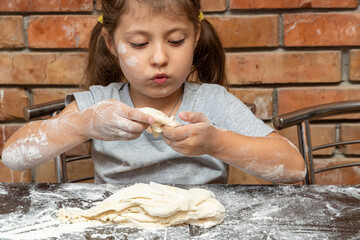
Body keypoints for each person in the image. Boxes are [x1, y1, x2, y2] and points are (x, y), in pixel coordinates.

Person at [2, 0, 306, 184]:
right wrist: (83, 124)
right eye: (139, 44)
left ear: (196, 36)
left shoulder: (213, 102)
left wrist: (217, 141)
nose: (159, 58)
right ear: (111, 43)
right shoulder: (99, 104)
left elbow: (293, 167)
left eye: (175, 41)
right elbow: (14, 156)